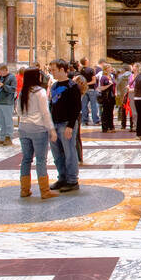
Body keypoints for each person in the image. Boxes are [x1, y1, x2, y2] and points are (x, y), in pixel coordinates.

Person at [17, 66, 56, 199]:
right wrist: (51, 129)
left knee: (26, 159)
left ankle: (24, 190)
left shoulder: (23, 91)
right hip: (38, 129)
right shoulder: (40, 92)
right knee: (40, 160)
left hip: (23, 127)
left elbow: (18, 111)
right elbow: (45, 113)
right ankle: (44, 191)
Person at [48, 60, 82, 192]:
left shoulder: (72, 86)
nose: (52, 72)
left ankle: (72, 180)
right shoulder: (54, 85)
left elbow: (76, 107)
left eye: (54, 70)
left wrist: (71, 125)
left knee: (69, 153)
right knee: (57, 154)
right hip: (55, 123)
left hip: (66, 123)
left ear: (62, 69)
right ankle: (62, 177)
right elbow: (52, 105)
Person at [97, 66, 116, 133]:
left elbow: (114, 85)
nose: (111, 69)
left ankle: (111, 126)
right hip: (106, 96)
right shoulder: (103, 77)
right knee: (105, 112)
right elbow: (101, 88)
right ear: (106, 69)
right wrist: (109, 85)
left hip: (111, 96)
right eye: (109, 68)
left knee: (111, 112)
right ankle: (105, 127)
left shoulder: (111, 76)